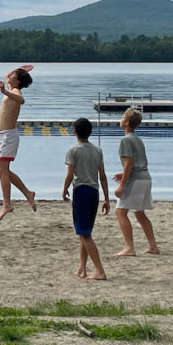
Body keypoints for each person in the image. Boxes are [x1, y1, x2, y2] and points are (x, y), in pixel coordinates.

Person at [62, 117, 110, 280]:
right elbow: (102, 176)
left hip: (81, 191)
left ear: (75, 132)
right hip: (94, 192)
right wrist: (107, 198)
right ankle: (82, 268)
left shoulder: (73, 150)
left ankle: (100, 270)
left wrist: (64, 189)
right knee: (84, 232)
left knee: (84, 234)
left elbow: (70, 174)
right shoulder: (97, 150)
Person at [112, 108, 159, 257]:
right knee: (139, 213)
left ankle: (129, 247)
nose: (120, 120)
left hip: (136, 179)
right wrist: (123, 174)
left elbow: (129, 163)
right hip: (145, 177)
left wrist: (122, 185)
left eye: (122, 118)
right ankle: (153, 245)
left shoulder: (125, 140)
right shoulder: (137, 139)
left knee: (120, 212)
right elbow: (138, 162)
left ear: (125, 123)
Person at [0, 65, 36, 221]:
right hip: (2, 135)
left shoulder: (15, 92)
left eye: (14, 75)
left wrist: (4, 91)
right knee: (3, 171)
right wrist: (19, 67)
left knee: (2, 170)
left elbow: (22, 100)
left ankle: (7, 204)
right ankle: (27, 193)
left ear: (18, 81)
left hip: (9, 136)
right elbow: (7, 75)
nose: (10, 76)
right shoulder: (11, 87)